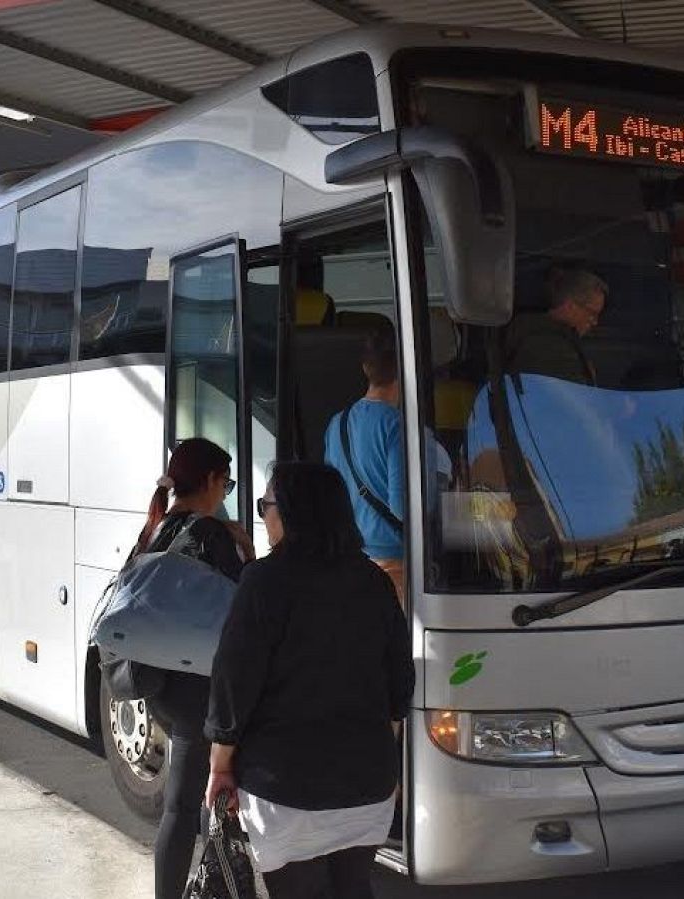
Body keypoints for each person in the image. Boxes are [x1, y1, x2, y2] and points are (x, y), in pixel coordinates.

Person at [203, 462, 413, 899]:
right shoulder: (373, 580)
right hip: (367, 785)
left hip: (286, 788)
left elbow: (233, 682)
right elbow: (400, 684)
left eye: (266, 505)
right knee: (354, 887)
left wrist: (220, 765)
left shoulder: (264, 581)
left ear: (292, 511)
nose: (263, 515)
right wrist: (379, 752)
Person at [134, 437, 255, 899]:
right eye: (226, 483)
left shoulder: (157, 527)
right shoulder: (210, 533)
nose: (225, 493)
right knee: (195, 805)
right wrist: (245, 545)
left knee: (182, 806)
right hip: (201, 686)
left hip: (163, 685)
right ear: (209, 481)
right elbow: (243, 604)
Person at [325, 321, 407, 598]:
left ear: (365, 369)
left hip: (352, 560)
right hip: (394, 564)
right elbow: (401, 507)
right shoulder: (396, 426)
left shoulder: (337, 423)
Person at [504, 264, 608, 385]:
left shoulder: (543, 336)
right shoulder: (548, 346)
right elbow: (570, 399)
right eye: (592, 313)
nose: (595, 322)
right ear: (570, 306)